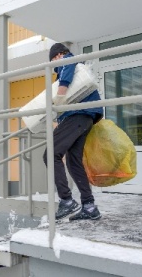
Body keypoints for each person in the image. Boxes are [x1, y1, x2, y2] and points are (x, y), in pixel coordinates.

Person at [43, 43, 103, 221]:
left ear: (60, 54)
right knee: (73, 162)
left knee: (51, 154)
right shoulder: (68, 68)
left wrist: (60, 96)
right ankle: (89, 206)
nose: (55, 63)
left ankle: (67, 201)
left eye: (54, 59)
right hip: (83, 118)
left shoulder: (69, 60)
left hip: (78, 116)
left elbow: (66, 71)